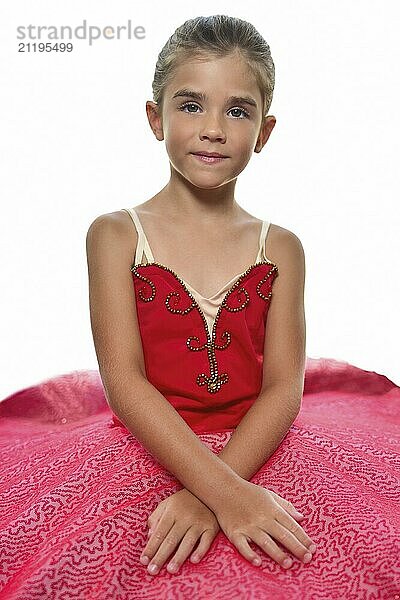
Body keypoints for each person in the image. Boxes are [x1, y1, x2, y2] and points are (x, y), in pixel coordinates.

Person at [1, 14, 399, 600]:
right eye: (191, 105)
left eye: (236, 111)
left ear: (264, 131)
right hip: (146, 443)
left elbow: (283, 385)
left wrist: (218, 493)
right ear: (154, 117)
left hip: (256, 440)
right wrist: (226, 494)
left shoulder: (281, 245)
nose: (213, 128)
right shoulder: (114, 234)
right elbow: (125, 383)